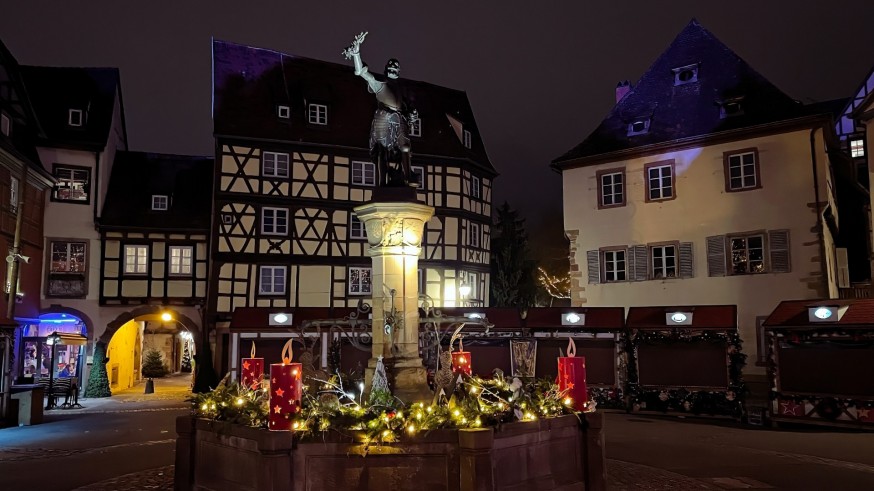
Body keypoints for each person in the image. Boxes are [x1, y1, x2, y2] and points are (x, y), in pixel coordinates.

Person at [343, 32, 419, 187]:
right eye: (391, 66)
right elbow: (361, 72)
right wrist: (356, 53)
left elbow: (406, 108)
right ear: (386, 69)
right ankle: (382, 182)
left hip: (399, 117)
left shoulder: (401, 89)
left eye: (395, 66)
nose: (393, 67)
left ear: (398, 70)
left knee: (405, 146)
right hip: (383, 116)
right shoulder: (380, 83)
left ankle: (408, 176)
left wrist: (411, 113)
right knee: (381, 149)